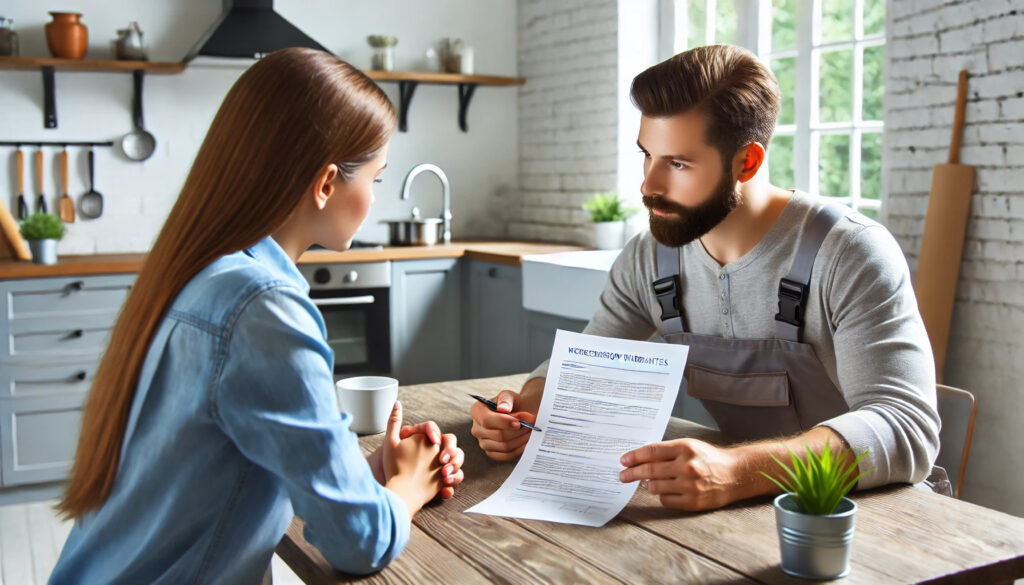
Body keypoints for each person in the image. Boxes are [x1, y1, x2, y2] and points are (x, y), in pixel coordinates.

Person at [49, 48, 465, 584]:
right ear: (325, 183)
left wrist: (367, 477)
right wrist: (408, 488)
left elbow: (229, 467)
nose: (374, 199)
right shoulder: (263, 307)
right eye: (377, 179)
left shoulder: (197, 268)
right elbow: (358, 544)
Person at [470, 44, 939, 511]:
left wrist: (737, 472)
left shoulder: (850, 253)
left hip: (862, 517)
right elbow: (589, 366)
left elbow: (906, 428)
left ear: (747, 163)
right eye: (646, 155)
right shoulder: (650, 258)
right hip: (739, 513)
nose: (648, 186)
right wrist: (524, 405)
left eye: (677, 164)